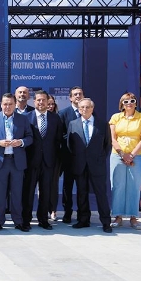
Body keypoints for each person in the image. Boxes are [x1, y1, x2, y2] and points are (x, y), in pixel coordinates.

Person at [0, 93, 33, 232]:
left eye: (10, 104)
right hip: (1, 161)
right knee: (0, 193)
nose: (8, 106)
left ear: (15, 104)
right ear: (1, 104)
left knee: (17, 193)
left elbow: (30, 137)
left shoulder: (23, 119)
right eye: (5, 104)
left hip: (17, 162)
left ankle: (18, 221)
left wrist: (21, 142)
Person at [67, 98, 113, 233]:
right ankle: (83, 220)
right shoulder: (73, 124)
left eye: (87, 107)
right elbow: (70, 145)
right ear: (79, 109)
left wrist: (99, 158)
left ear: (92, 108)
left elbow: (107, 145)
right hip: (80, 164)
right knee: (82, 193)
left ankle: (105, 222)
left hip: (97, 165)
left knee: (101, 194)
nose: (84, 110)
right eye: (81, 107)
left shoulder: (102, 124)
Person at [109, 92, 141, 230]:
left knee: (134, 186)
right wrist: (122, 154)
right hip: (118, 155)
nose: (129, 103)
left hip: (138, 156)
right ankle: (118, 216)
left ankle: (133, 217)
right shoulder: (115, 117)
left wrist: (131, 155)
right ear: (122, 104)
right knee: (118, 185)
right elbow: (113, 138)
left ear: (136, 103)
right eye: (126, 101)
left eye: (132, 100)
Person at [23, 91, 62, 230]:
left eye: (43, 100)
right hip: (31, 162)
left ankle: (43, 219)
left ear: (48, 102)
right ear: (34, 102)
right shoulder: (26, 118)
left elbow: (58, 141)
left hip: (48, 162)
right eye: (38, 100)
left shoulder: (55, 119)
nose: (41, 102)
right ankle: (26, 219)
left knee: (46, 192)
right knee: (28, 192)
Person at [58, 86, 84, 224]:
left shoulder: (89, 112)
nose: (78, 96)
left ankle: (82, 214)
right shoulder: (63, 113)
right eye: (75, 94)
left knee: (82, 187)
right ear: (70, 98)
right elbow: (60, 134)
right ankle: (67, 213)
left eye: (80, 94)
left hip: (83, 158)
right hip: (68, 157)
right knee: (67, 187)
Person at [46, 94, 60, 222]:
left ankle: (53, 210)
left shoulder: (57, 118)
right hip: (38, 158)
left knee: (53, 185)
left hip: (54, 158)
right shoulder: (32, 116)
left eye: (52, 104)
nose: (50, 106)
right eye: (48, 103)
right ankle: (43, 210)